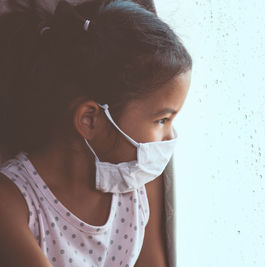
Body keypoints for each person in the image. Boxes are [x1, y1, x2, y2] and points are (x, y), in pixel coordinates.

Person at [0, 0, 192, 266]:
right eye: (161, 120)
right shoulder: (12, 204)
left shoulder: (137, 182)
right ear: (90, 120)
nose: (170, 137)